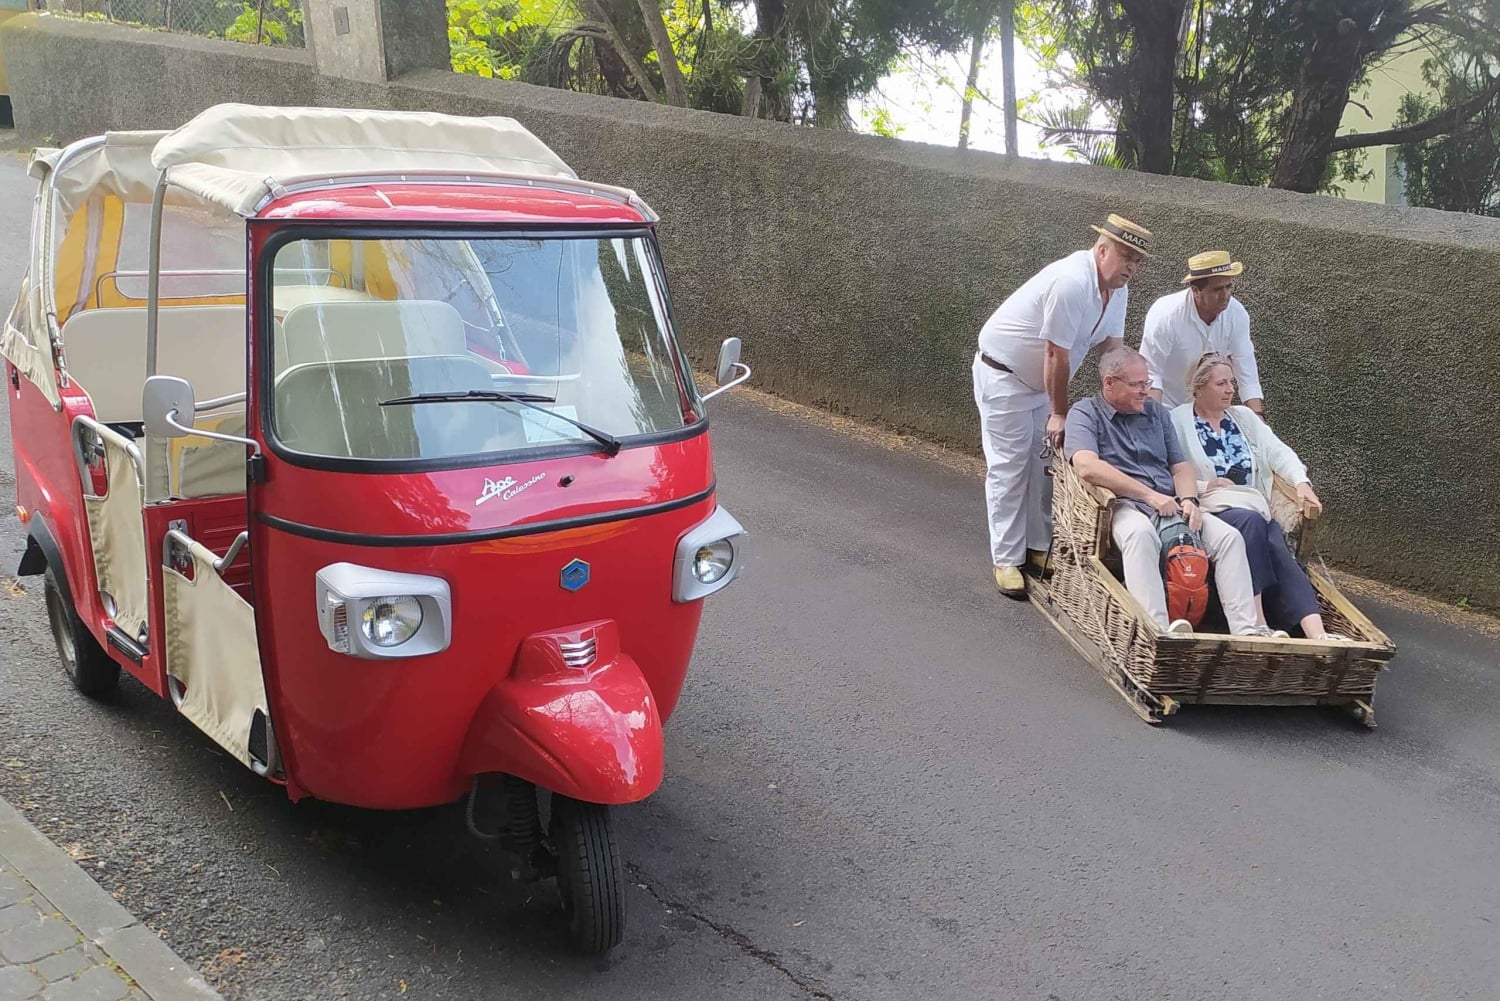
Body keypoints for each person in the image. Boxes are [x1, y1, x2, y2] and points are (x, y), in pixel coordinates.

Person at [973, 214, 1151, 597]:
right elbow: (1056, 354)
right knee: (1010, 467)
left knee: (1043, 468)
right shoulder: (1072, 282)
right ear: (1102, 250)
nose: (1131, 268)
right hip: (1004, 377)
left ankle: (1036, 549)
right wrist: (1059, 412)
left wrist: (1132, 385)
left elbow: (1112, 350)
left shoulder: (1117, 290)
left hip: (1040, 385)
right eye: (1126, 257)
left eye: (1137, 261)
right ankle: (1006, 558)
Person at [1063, 345, 1275, 637]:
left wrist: (1189, 500)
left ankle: (1247, 631)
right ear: (1109, 383)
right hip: (1123, 506)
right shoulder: (1085, 412)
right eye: (1138, 385)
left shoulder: (1156, 413)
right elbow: (1087, 466)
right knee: (1140, 535)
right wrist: (1148, 496)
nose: (1145, 391)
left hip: (1171, 504)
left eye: (1147, 383)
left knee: (1229, 538)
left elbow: (1180, 466)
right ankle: (1157, 630)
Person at [1170, 352, 1351, 641]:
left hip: (1253, 505)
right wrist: (1204, 487)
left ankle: (1317, 632)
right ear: (1199, 386)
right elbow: (1171, 469)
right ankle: (1257, 622)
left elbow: (1277, 451)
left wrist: (1301, 483)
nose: (1230, 389)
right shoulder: (1177, 420)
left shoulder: (1242, 417)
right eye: (1221, 384)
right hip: (1210, 507)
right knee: (1253, 523)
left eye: (1232, 382)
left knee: (1275, 541)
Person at [1140, 250, 1265, 414]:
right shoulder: (1165, 314)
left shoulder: (1237, 313)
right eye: (1217, 289)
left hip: (1213, 412)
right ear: (1196, 291)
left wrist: (1258, 417)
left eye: (1229, 287)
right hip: (1168, 408)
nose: (1225, 295)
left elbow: (1245, 366)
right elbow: (1151, 373)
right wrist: (1156, 421)